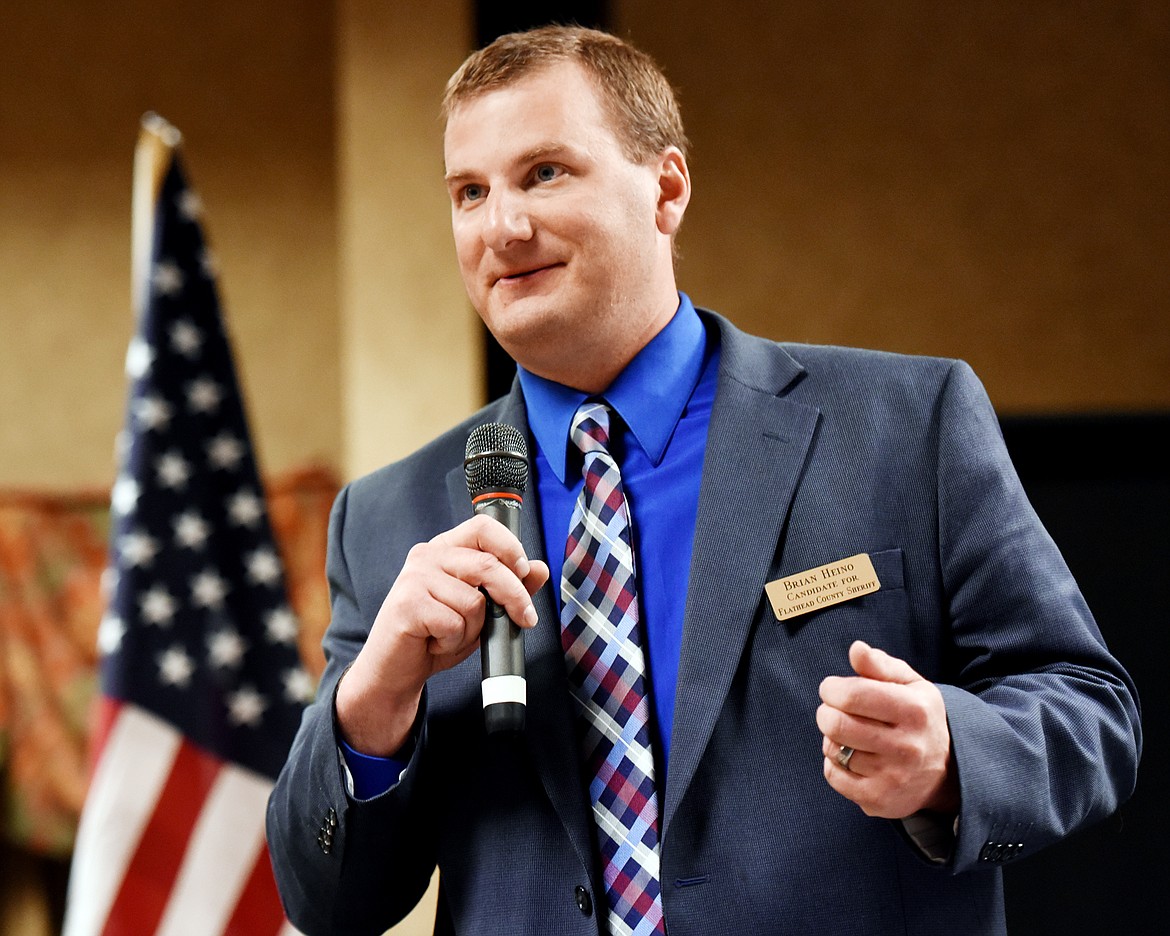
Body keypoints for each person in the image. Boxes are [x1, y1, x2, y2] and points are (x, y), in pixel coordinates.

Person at [266, 25, 1141, 936]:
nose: (502, 226)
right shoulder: (386, 519)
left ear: (667, 189)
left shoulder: (903, 425)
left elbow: (1090, 711)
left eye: (546, 174)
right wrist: (370, 709)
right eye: (469, 192)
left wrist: (953, 757)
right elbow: (327, 902)